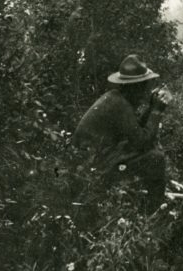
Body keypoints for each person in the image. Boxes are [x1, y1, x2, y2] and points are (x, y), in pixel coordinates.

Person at [72, 54, 172, 213]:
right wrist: (156, 111)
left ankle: (145, 203)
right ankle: (155, 211)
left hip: (90, 159)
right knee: (156, 159)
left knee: (146, 153)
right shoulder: (119, 104)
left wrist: (151, 108)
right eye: (144, 85)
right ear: (135, 86)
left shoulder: (116, 99)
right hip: (93, 163)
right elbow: (142, 141)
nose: (146, 90)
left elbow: (136, 132)